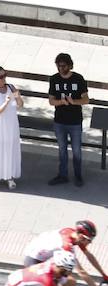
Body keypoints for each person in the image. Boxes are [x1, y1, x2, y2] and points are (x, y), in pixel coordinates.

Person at [23, 220, 108, 286]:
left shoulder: (74, 234)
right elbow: (81, 272)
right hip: (33, 259)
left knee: (65, 279)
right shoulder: (66, 245)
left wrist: (104, 275)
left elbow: (89, 256)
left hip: (41, 253)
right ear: (81, 236)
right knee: (65, 282)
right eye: (89, 240)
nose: (90, 242)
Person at [48, 53, 89, 187]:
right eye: (58, 66)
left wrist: (74, 101)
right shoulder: (54, 79)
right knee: (62, 150)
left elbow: (86, 99)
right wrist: (61, 102)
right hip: (59, 121)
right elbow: (51, 101)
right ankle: (63, 175)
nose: (60, 68)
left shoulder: (78, 79)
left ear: (69, 65)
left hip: (75, 121)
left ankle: (78, 176)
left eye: (63, 66)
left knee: (76, 151)